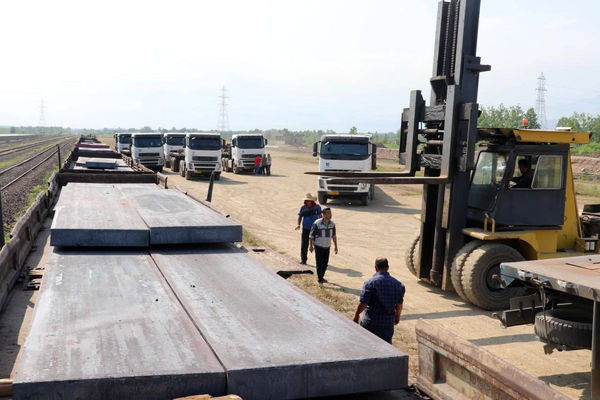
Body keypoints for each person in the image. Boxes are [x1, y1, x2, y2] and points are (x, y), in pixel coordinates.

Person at [353, 258, 405, 344]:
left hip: (371, 323)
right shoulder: (398, 285)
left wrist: (356, 315)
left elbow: (363, 303)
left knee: (367, 345)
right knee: (386, 347)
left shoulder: (370, 283)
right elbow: (399, 305)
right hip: (388, 324)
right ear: (388, 267)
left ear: (376, 268)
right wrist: (397, 317)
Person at [309, 207, 338, 284]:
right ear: (324, 215)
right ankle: (320, 279)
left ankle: (321, 277)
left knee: (325, 263)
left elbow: (334, 236)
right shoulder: (317, 223)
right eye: (328, 213)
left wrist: (336, 247)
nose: (330, 215)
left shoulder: (332, 224)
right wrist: (311, 246)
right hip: (318, 246)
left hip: (327, 246)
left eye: (330, 213)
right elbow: (311, 236)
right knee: (319, 263)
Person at [295, 194, 322, 265]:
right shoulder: (303, 208)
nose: (307, 202)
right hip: (305, 229)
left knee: (317, 245)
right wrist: (298, 224)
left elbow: (320, 216)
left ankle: (320, 260)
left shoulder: (317, 207)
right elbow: (300, 217)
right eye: (306, 200)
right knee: (304, 245)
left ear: (312, 201)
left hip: (315, 229)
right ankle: (303, 260)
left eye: (309, 200)